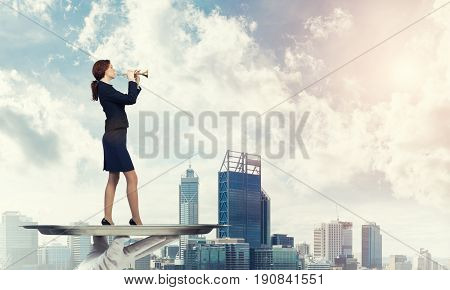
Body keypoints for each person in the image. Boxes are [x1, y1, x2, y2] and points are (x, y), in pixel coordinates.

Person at [90, 59, 143, 226]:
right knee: (132, 177)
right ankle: (136, 219)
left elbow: (127, 98)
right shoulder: (105, 89)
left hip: (113, 136)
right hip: (115, 137)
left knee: (113, 177)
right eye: (111, 67)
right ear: (104, 70)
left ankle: (108, 218)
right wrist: (130, 80)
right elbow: (130, 100)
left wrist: (136, 84)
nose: (114, 69)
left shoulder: (105, 89)